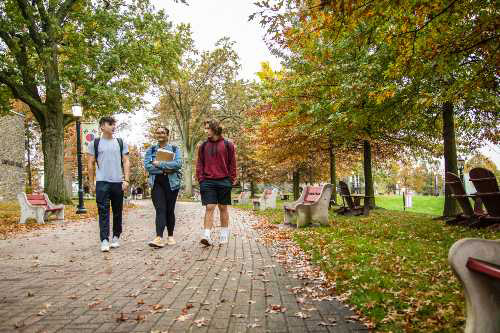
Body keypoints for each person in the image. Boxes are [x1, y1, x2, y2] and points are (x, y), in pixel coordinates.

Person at [87, 116, 130, 252]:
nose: (113, 126)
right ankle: (104, 240)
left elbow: (126, 161)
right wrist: (91, 182)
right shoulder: (94, 143)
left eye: (114, 124)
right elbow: (90, 164)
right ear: (102, 127)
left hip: (118, 182)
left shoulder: (121, 142)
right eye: (110, 124)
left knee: (118, 212)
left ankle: (116, 237)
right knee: (103, 211)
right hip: (102, 182)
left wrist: (126, 180)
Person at [196, 120, 237, 246]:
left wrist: (230, 179)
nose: (206, 131)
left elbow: (232, 163)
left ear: (215, 129)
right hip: (208, 181)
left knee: (223, 207)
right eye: (205, 128)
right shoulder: (203, 146)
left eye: (208, 128)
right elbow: (199, 164)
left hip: (224, 180)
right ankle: (206, 236)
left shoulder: (227, 144)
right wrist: (201, 179)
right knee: (210, 207)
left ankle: (224, 235)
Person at [144, 126, 183, 248]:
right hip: (157, 183)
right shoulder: (151, 150)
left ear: (167, 135)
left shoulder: (175, 149)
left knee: (169, 210)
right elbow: (148, 166)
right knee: (160, 209)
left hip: (172, 184)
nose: (160, 134)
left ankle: (170, 236)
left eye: (163, 132)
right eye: (158, 133)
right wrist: (166, 169)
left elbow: (178, 164)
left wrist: (159, 164)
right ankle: (158, 237)